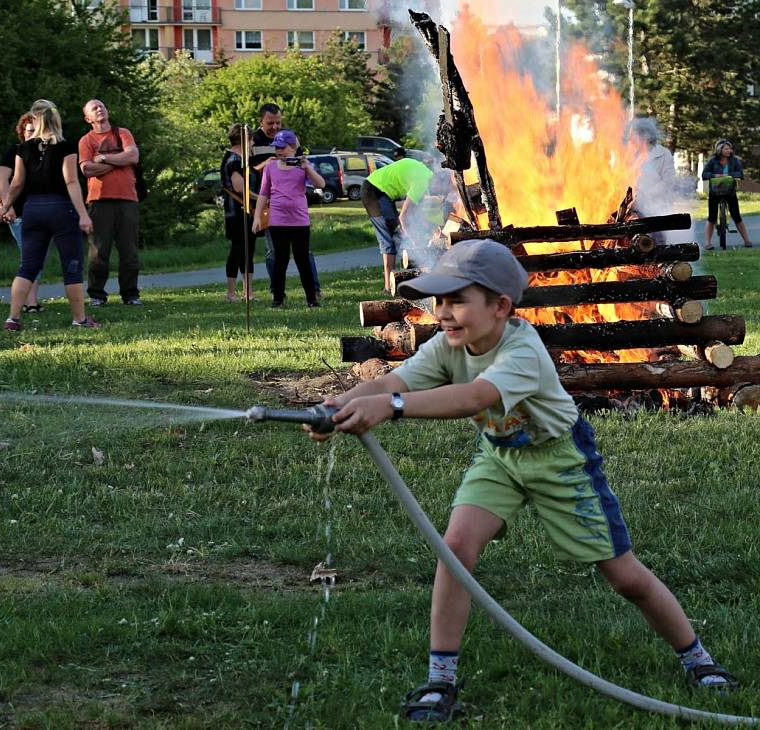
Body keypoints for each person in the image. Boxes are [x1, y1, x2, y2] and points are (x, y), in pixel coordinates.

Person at [307, 240, 739, 722]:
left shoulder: (522, 349)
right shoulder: (447, 344)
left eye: (457, 300)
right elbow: (393, 382)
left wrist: (391, 409)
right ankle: (440, 678)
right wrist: (338, 404)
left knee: (624, 576)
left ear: (500, 306)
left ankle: (697, 659)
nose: (443, 313)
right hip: (499, 458)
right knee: (455, 550)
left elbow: (474, 397)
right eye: (439, 301)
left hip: (560, 461)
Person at [0, 99, 98, 330]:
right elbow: (71, 181)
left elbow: (17, 183)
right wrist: (83, 215)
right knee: (71, 264)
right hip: (60, 208)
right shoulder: (65, 147)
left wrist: (6, 205)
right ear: (56, 120)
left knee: (28, 266)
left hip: (32, 210)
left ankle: (12, 318)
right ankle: (80, 319)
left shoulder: (24, 148)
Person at [249, 103, 321, 300]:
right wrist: (257, 216)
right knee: (277, 257)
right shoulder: (257, 148)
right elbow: (260, 187)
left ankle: (313, 295)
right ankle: (278, 296)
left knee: (303, 258)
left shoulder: (300, 163)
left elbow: (319, 183)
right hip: (276, 216)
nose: (275, 127)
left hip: (298, 219)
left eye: (278, 123)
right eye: (270, 123)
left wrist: (306, 166)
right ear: (261, 121)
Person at [78, 98, 142, 306]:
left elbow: (133, 156)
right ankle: (97, 295)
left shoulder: (122, 133)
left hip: (127, 199)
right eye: (94, 108)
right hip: (99, 201)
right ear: (87, 118)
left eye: (102, 106)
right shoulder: (86, 141)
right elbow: (86, 169)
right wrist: (118, 161)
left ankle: (130, 295)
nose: (99, 109)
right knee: (99, 251)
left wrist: (104, 160)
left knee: (129, 250)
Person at [361, 157, 436, 293]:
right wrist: (415, 241)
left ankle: (404, 279)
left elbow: (417, 215)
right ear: (438, 182)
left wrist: (431, 230)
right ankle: (388, 287)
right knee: (390, 238)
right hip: (374, 192)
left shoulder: (425, 174)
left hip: (379, 191)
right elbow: (404, 218)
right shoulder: (422, 182)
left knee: (396, 236)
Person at [0, 112, 42, 312]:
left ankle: (30, 300)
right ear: (22, 132)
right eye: (29, 130)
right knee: (29, 256)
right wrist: (8, 205)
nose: (32, 134)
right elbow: (2, 179)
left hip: (40, 211)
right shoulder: (14, 151)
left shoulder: (45, 153)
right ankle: (29, 303)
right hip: (19, 212)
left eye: (36, 130)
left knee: (36, 256)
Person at [220, 123, 257, 302]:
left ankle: (247, 292)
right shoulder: (233, 160)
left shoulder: (241, 159)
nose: (252, 144)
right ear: (244, 140)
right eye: (251, 140)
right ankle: (231, 292)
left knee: (247, 250)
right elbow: (239, 187)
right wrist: (262, 198)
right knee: (238, 250)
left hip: (245, 211)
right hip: (237, 212)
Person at [701, 139, 754, 249]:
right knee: (712, 217)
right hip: (715, 192)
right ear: (720, 150)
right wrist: (715, 176)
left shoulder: (734, 161)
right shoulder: (712, 161)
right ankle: (707, 243)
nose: (729, 150)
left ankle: (747, 240)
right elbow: (704, 174)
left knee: (736, 216)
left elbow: (740, 174)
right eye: (726, 148)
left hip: (730, 192)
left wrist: (729, 175)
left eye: (730, 148)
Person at [629, 117, 676, 217]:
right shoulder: (632, 154)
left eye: (637, 134)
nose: (634, 138)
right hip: (636, 207)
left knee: (657, 232)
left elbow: (668, 181)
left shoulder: (664, 154)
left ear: (647, 136)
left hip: (658, 206)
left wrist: (648, 194)